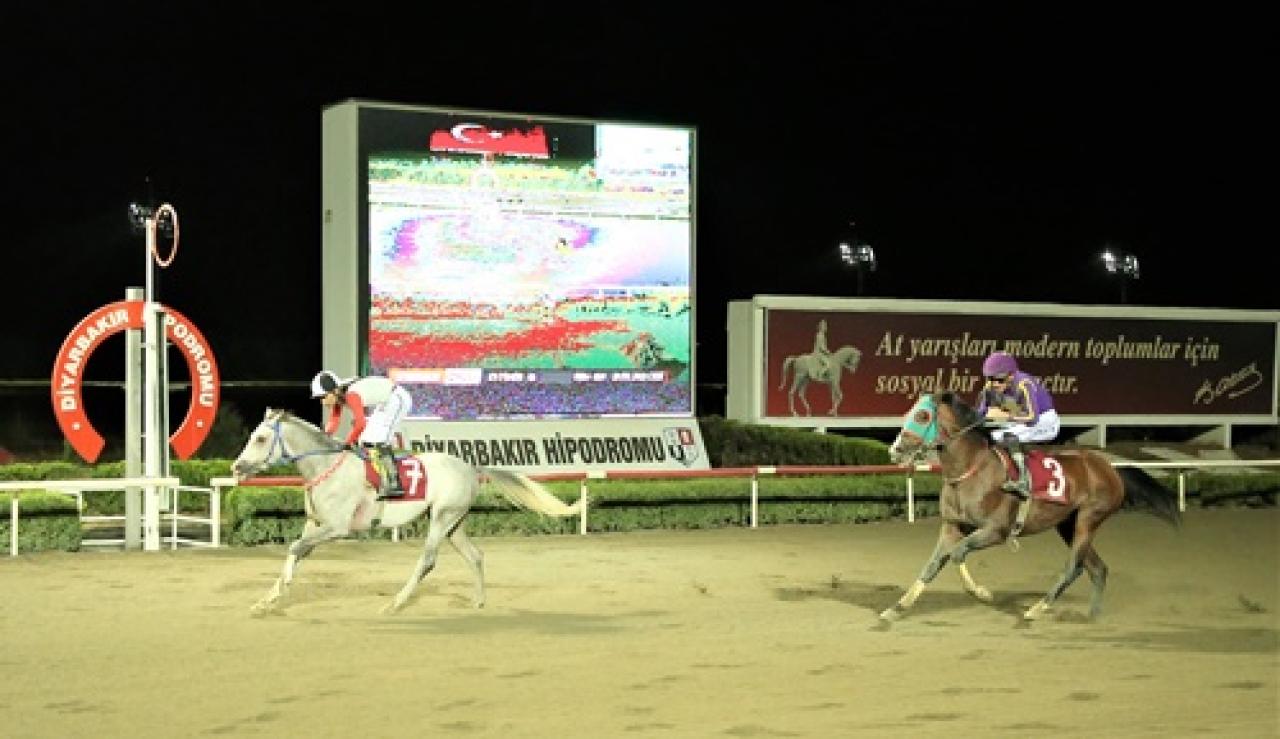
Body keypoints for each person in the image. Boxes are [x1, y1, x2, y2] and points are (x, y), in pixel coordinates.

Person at [974, 351, 1060, 537]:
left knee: (1005, 437)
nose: (994, 384)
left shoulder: (1024, 383)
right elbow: (979, 415)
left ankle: (1021, 481)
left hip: (1043, 421)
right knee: (991, 435)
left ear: (1011, 375)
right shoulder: (991, 385)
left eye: (999, 380)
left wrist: (1003, 415)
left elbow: (1031, 418)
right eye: (990, 379)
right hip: (1020, 414)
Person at [310, 370, 414, 500]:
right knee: (366, 439)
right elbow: (334, 421)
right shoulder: (339, 395)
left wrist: (347, 443)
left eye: (323, 397)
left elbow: (360, 423)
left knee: (377, 438)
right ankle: (380, 477)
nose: (322, 402)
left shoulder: (351, 395)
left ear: (335, 391)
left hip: (398, 399)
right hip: (387, 401)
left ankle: (394, 484)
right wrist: (323, 437)